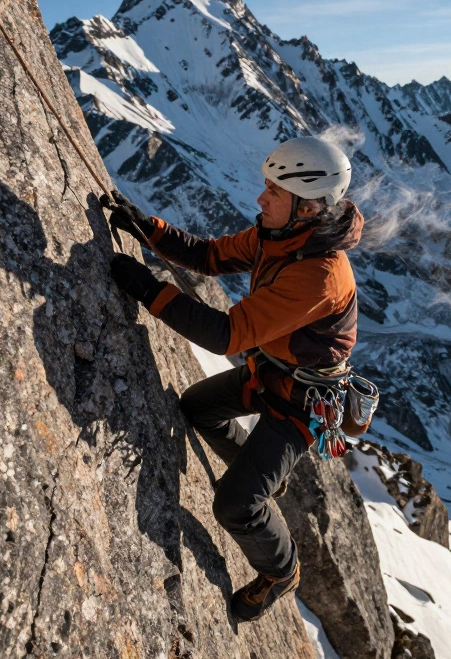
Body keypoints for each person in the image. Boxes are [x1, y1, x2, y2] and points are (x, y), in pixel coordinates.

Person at [102, 136, 363, 621]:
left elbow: (225, 334)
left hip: (302, 401)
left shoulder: (319, 275)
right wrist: (147, 228)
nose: (261, 200)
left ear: (308, 206)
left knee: (235, 507)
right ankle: (260, 473)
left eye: (274, 193)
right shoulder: (279, 234)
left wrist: (144, 287)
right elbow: (210, 257)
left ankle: (281, 572)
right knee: (197, 409)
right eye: (267, 187)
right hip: (271, 372)